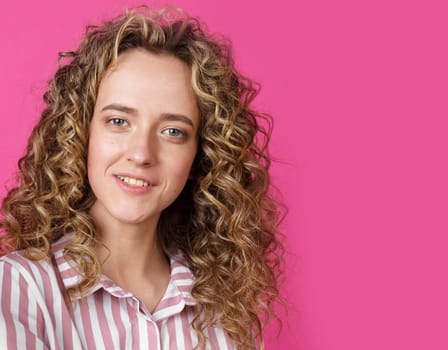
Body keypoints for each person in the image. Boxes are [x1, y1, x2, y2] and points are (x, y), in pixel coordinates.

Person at [0, 6, 284, 350]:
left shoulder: (222, 314)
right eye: (118, 121)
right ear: (81, 134)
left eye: (172, 131)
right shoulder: (17, 289)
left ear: (200, 157)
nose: (141, 153)